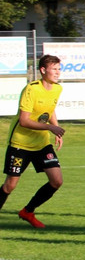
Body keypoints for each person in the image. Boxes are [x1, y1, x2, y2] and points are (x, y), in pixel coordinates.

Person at [0, 55, 66, 228]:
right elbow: (24, 121)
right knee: (9, 186)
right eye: (54, 69)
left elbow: (50, 110)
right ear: (43, 70)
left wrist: (56, 129)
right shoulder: (31, 89)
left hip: (41, 144)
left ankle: (28, 211)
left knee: (56, 181)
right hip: (20, 144)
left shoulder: (57, 89)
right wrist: (50, 128)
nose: (58, 72)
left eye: (59, 69)